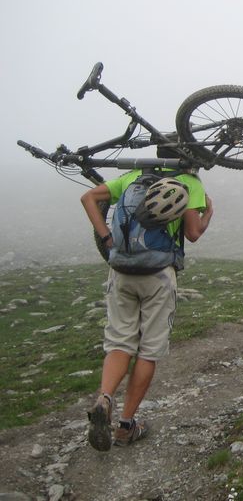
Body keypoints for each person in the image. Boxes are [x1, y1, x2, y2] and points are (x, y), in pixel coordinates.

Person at [80, 166, 213, 450]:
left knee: (119, 342)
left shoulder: (133, 176)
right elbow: (193, 233)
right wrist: (208, 214)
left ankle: (105, 399)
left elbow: (88, 198)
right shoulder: (188, 181)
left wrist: (106, 238)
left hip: (121, 271)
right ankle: (126, 426)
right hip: (158, 275)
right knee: (149, 351)